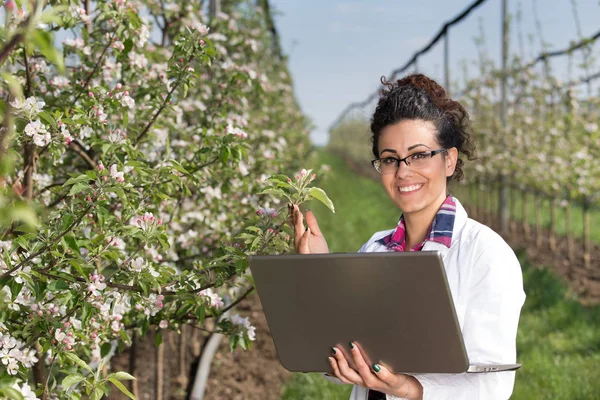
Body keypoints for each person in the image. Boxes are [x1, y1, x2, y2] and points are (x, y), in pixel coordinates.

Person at [289, 74, 526, 400]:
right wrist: (320, 273)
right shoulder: (374, 249)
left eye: (418, 155)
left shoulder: (485, 255)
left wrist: (407, 388)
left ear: (449, 160)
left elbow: (493, 384)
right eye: (390, 159)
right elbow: (345, 360)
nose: (403, 172)